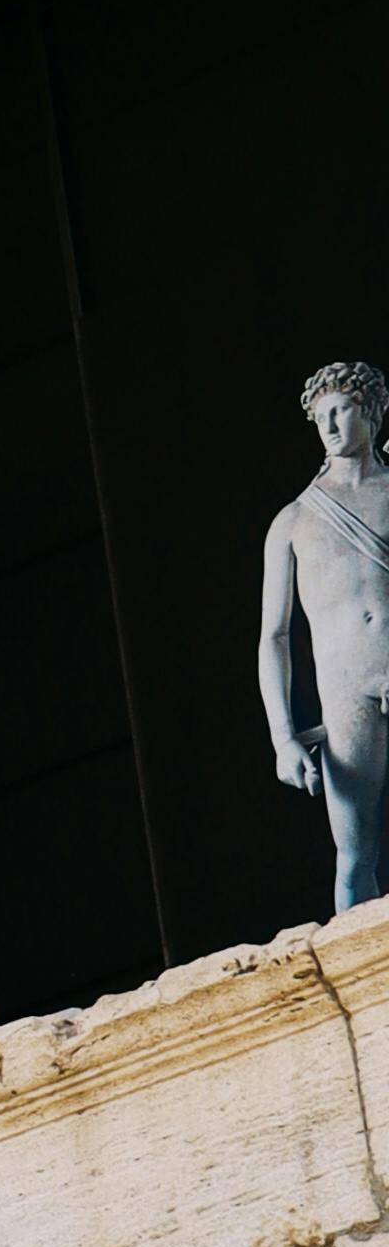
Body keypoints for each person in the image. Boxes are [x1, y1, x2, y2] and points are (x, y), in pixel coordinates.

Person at [262, 358, 389, 913]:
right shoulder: (294, 520)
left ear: (371, 411)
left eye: (342, 410)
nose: (331, 426)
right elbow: (274, 637)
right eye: (321, 417)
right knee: (355, 854)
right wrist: (282, 737)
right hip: (346, 692)